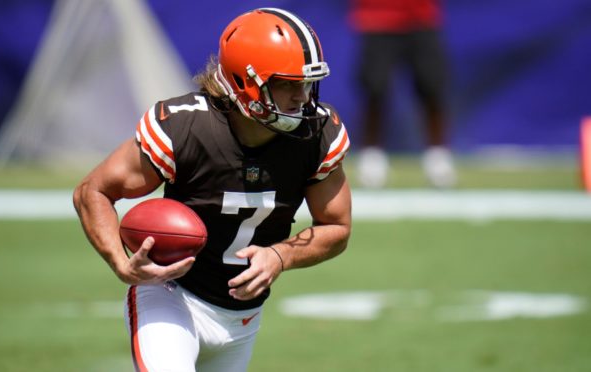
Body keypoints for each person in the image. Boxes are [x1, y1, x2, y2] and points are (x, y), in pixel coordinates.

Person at [72, 7, 351, 372]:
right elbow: (92, 191)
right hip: (172, 295)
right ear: (244, 81)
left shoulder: (316, 135)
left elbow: (337, 227)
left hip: (243, 319)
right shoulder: (188, 128)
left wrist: (281, 256)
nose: (301, 97)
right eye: (286, 83)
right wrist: (122, 264)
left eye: (305, 83)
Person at [349, 0, 457, 188]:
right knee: (375, 89)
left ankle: (438, 158)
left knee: (432, 86)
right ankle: (371, 158)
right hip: (377, 18)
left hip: (421, 18)